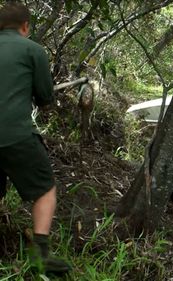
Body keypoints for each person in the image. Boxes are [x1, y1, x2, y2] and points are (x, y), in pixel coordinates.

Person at [0, 2, 71, 274]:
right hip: (15, 135)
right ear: (25, 26)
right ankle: (40, 255)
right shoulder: (33, 50)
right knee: (44, 189)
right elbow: (45, 97)